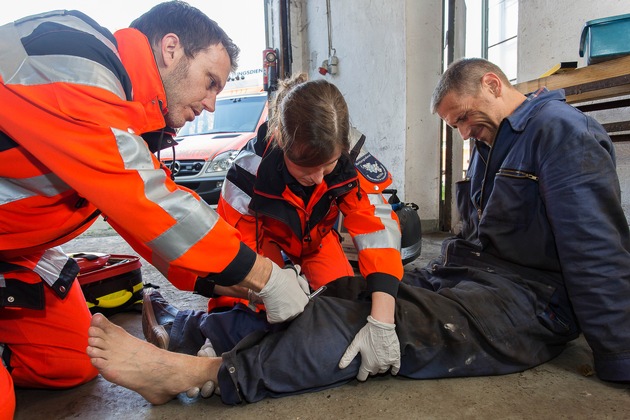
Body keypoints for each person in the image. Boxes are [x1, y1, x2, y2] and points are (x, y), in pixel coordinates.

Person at [86, 57, 630, 406]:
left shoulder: (561, 134)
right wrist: (246, 292)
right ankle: (202, 332)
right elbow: (221, 252)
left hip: (530, 302)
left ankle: (201, 370)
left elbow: (595, 251)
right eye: (457, 125)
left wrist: (619, 354)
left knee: (371, 319)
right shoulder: (493, 145)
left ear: (493, 83)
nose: (463, 133)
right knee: (345, 295)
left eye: (463, 119)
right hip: (465, 276)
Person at [0, 2, 311, 417]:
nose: (211, 104)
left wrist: (220, 284)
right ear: (170, 49)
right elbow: (149, 201)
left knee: (69, 361)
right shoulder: (76, 61)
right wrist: (266, 276)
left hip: (14, 250)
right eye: (211, 82)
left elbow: (141, 224)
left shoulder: (128, 117)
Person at [173, 73, 404, 381]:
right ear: (281, 141)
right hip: (263, 240)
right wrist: (227, 321)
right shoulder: (247, 172)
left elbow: (377, 232)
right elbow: (232, 252)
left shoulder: (350, 155)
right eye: (307, 168)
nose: (320, 178)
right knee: (257, 315)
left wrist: (383, 321)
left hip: (317, 239)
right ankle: (183, 327)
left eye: (328, 165)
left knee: (344, 305)